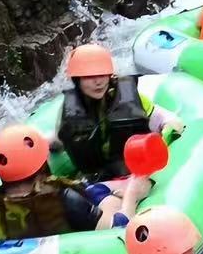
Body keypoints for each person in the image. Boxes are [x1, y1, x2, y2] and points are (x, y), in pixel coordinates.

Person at [0, 125, 126, 246]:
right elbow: (118, 227)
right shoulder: (66, 201)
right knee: (103, 196)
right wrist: (130, 195)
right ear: (42, 163)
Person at [55, 43, 182, 190]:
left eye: (102, 74)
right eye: (90, 77)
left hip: (136, 174)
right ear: (77, 80)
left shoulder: (128, 98)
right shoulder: (70, 110)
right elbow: (59, 140)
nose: (98, 82)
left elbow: (169, 121)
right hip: (96, 177)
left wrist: (165, 135)